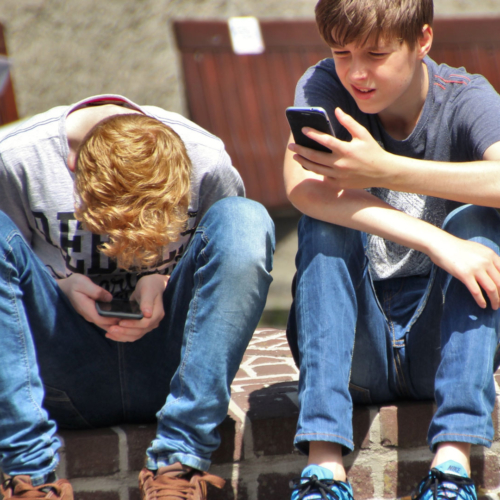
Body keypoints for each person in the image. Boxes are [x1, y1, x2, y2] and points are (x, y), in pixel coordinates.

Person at [0, 94, 275, 500]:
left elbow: (224, 270)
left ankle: (178, 468)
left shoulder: (205, 159)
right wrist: (58, 281)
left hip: (171, 365)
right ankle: (29, 479)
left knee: (245, 218)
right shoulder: (18, 159)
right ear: (73, 173)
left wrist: (162, 276)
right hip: (56, 372)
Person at [284, 1, 500, 499]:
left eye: (377, 54)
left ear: (422, 40)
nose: (357, 72)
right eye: (342, 52)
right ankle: (323, 473)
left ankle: (451, 472)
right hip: (355, 348)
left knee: (479, 220)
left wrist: (386, 170)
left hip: (441, 347)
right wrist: (434, 239)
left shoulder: (463, 97)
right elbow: (300, 187)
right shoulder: (326, 88)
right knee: (322, 220)